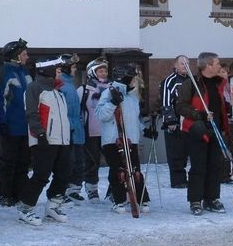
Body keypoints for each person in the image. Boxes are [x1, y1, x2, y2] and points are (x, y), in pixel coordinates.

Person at [17, 56, 73, 225]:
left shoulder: (58, 91)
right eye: (57, 70)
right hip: (44, 140)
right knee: (41, 174)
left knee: (64, 173)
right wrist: (40, 134)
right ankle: (25, 207)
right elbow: (31, 114)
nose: (60, 73)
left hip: (62, 140)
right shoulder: (34, 88)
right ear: (47, 71)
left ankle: (53, 205)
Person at [176, 51, 233, 215]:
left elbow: (221, 104)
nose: (219, 66)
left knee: (215, 166)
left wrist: (231, 110)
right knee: (198, 166)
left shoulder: (218, 83)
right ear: (208, 65)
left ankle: (212, 198)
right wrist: (199, 114)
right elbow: (181, 106)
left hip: (217, 129)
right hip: (198, 130)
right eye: (217, 63)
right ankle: (195, 200)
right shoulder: (192, 84)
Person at [98, 64, 150, 214]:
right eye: (132, 77)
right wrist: (112, 103)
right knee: (118, 170)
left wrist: (145, 129)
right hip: (113, 138)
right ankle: (118, 199)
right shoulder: (109, 92)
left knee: (135, 169)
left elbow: (134, 118)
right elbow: (100, 114)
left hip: (131, 138)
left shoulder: (132, 96)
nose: (135, 80)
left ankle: (141, 198)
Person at [0, 39, 31, 206]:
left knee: (23, 162)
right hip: (9, 127)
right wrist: (0, 123)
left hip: (25, 127)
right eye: (24, 54)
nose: (27, 56)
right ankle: (2, 194)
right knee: (8, 162)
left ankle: (19, 192)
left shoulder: (25, 73)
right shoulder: (2, 73)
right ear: (16, 57)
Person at [79, 58, 111, 201]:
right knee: (92, 162)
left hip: (109, 131)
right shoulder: (84, 90)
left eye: (105, 71)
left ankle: (114, 188)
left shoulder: (112, 87)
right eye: (100, 71)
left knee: (114, 162)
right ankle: (92, 189)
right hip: (91, 131)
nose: (103, 73)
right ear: (92, 72)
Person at [159, 55, 192, 188]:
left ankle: (189, 178)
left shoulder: (192, 80)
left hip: (189, 121)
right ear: (176, 65)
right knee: (176, 152)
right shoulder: (169, 81)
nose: (185, 66)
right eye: (183, 64)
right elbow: (166, 102)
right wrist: (170, 120)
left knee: (187, 151)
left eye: (188, 64)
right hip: (176, 122)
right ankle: (178, 180)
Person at [56, 53, 84, 201]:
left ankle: (74, 189)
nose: (75, 69)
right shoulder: (60, 85)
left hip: (76, 130)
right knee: (67, 163)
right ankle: (62, 190)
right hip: (68, 131)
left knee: (78, 161)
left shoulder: (70, 85)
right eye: (73, 67)